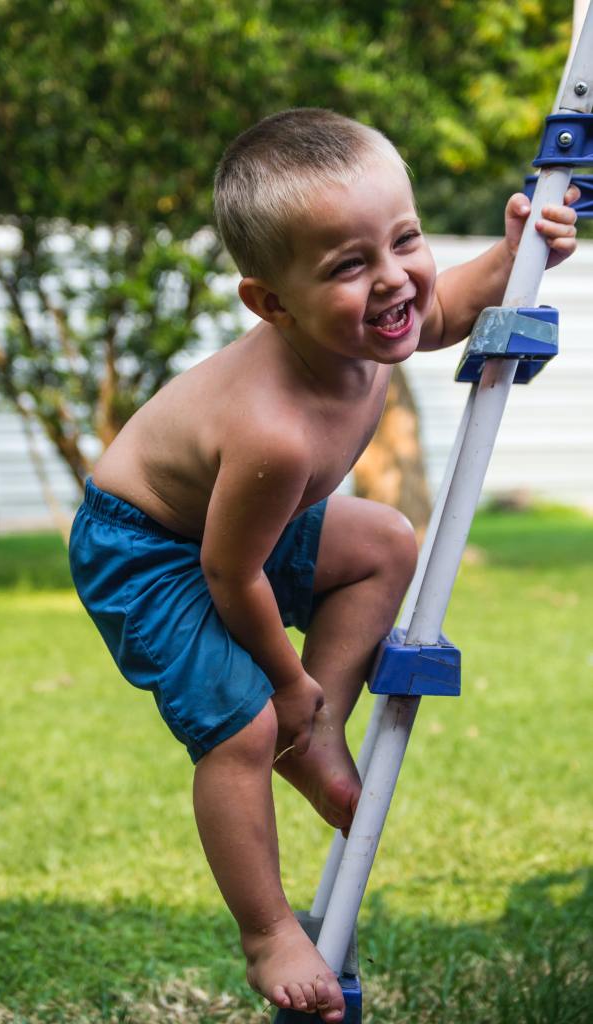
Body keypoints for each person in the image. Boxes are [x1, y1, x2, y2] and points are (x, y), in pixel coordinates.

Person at [69, 108, 578, 1022]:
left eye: (405, 240)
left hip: (239, 536)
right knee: (240, 732)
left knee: (384, 539)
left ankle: (317, 731)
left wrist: (515, 255)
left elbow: (447, 303)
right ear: (270, 303)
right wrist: (282, 679)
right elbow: (232, 577)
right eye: (348, 265)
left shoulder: (379, 319)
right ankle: (268, 930)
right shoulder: (273, 427)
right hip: (147, 549)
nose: (393, 282)